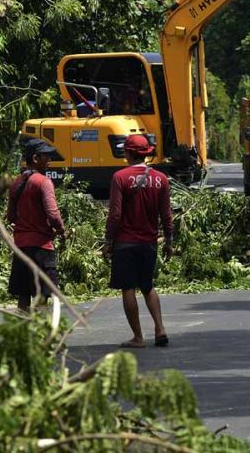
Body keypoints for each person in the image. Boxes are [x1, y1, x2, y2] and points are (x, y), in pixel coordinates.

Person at [102, 134, 174, 348]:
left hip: (125, 242)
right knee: (147, 285)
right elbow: (166, 214)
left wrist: (108, 241)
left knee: (128, 288)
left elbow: (115, 215)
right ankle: (160, 329)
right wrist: (169, 240)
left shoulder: (120, 177)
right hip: (150, 242)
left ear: (127, 153)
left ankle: (138, 337)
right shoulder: (161, 178)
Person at [7, 138, 65, 312]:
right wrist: (61, 230)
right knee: (42, 294)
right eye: (46, 157)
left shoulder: (16, 182)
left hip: (21, 247)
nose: (50, 161)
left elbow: (10, 216)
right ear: (35, 159)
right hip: (41, 248)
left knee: (23, 294)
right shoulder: (43, 182)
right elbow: (53, 214)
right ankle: (40, 335)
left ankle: (23, 333)